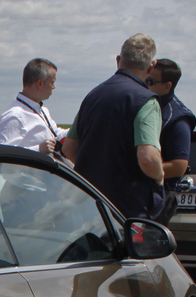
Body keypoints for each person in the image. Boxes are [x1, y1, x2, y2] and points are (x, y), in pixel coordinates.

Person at [60, 34, 164, 219]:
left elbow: (68, 148)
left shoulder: (92, 96)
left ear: (118, 61)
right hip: (127, 210)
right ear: (151, 67)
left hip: (88, 203)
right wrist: (159, 177)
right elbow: (148, 158)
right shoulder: (146, 101)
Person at [148, 58, 195, 224]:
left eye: (150, 81)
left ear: (167, 86)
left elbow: (179, 166)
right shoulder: (147, 106)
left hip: (159, 196)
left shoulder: (177, 119)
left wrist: (140, 170)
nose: (144, 85)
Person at [0, 58, 65, 154]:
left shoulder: (42, 110)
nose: (54, 87)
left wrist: (79, 126)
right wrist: (38, 149)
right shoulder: (14, 116)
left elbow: (56, 134)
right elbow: (3, 153)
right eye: (52, 82)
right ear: (40, 83)